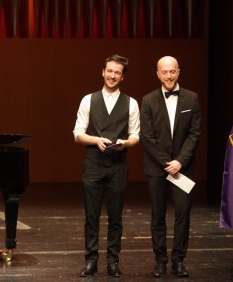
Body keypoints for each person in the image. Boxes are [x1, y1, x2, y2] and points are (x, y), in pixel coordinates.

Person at [73, 55, 140, 277]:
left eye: (117, 73)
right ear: (103, 72)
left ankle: (113, 261)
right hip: (93, 165)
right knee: (91, 216)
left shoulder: (131, 103)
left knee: (115, 217)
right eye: (109, 71)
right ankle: (91, 260)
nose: (112, 75)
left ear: (122, 77)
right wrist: (95, 140)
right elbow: (77, 134)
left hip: (118, 166)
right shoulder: (88, 100)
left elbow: (135, 135)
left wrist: (126, 143)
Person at [140, 56, 201, 278]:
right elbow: (147, 137)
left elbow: (194, 134)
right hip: (158, 167)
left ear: (178, 72)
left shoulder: (192, 99)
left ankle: (178, 261)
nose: (168, 75)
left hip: (183, 168)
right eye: (164, 72)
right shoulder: (147, 100)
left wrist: (180, 162)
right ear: (157, 73)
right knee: (158, 215)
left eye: (172, 71)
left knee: (183, 214)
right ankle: (160, 261)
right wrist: (167, 163)